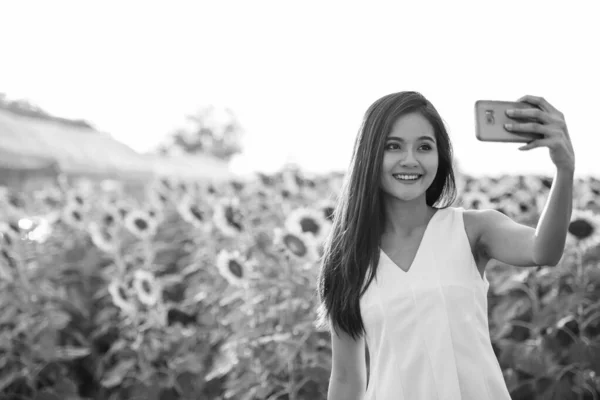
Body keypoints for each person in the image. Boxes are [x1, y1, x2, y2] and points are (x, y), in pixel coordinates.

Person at [316, 91, 575, 400]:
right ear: (369, 154)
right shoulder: (349, 258)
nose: (410, 159)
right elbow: (346, 380)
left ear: (441, 156)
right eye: (392, 146)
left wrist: (564, 170)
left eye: (424, 147)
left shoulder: (474, 229)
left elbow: (543, 251)